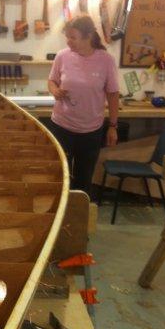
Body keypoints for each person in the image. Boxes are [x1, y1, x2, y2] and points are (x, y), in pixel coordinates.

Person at [47, 15, 119, 196]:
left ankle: (79, 218)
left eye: (73, 37)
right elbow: (52, 81)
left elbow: (112, 94)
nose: (68, 41)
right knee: (59, 176)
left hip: (91, 131)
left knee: (83, 180)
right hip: (61, 126)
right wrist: (54, 90)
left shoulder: (106, 61)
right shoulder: (62, 56)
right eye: (67, 36)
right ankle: (60, 218)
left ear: (88, 37)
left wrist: (112, 126)